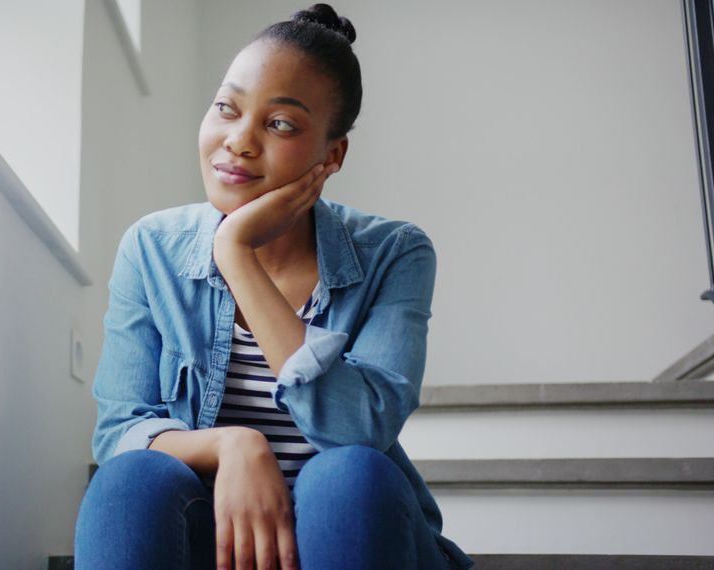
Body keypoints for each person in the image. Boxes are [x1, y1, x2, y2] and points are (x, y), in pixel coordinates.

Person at [74, 4, 474, 569]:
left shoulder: (395, 253)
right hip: (213, 538)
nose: (238, 141)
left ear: (331, 155)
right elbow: (120, 431)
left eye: (279, 123)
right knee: (130, 482)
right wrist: (233, 444)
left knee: (350, 475)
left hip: (352, 532)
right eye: (226, 108)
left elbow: (358, 429)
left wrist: (236, 255)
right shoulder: (152, 247)